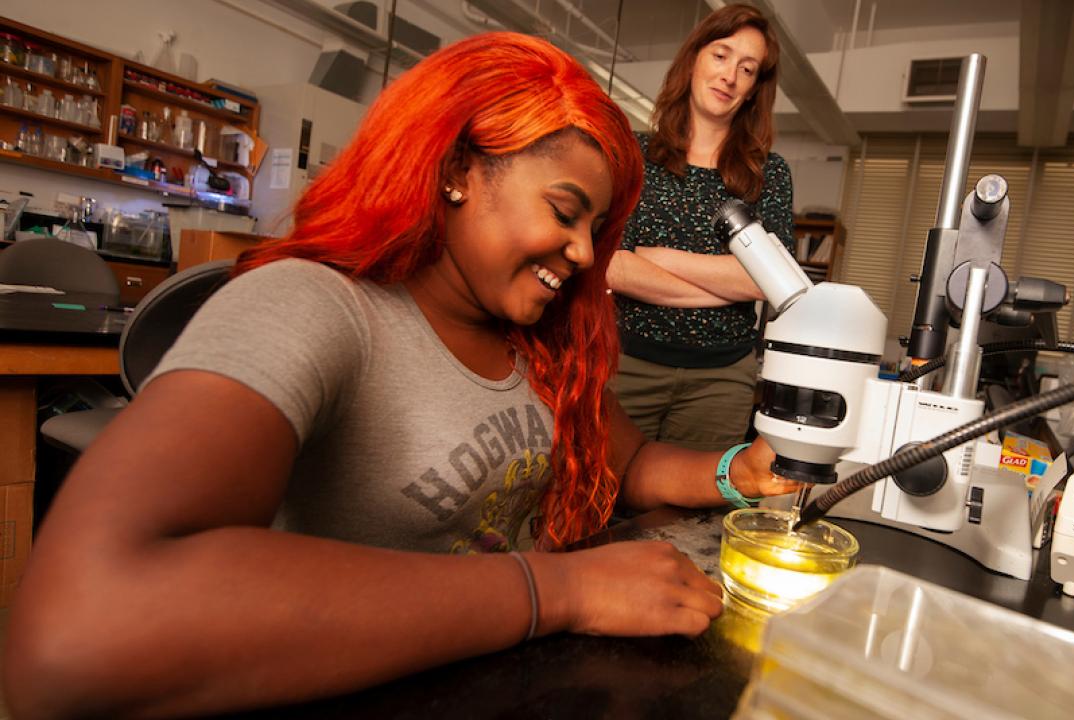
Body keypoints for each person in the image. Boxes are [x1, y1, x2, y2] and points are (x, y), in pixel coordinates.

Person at [3, 33, 799, 718]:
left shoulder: (534, 342)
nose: (587, 254)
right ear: (456, 170)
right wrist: (561, 592)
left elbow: (629, 464)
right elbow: (78, 632)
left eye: (596, 227)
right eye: (564, 212)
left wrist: (741, 472)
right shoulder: (315, 308)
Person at [607, 4, 795, 453]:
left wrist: (658, 257)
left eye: (746, 69)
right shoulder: (634, 154)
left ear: (753, 90)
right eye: (721, 56)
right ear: (694, 60)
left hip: (722, 379)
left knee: (694, 518)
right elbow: (613, 267)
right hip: (627, 366)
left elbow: (776, 281)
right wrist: (734, 282)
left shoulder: (769, 173)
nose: (730, 75)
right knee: (598, 502)